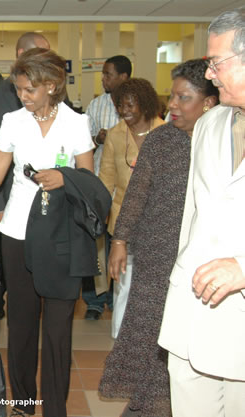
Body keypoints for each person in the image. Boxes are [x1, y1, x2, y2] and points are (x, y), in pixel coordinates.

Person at [0, 48, 98, 417]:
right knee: (20, 322)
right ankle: (24, 402)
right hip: (17, 232)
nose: (22, 96)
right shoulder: (14, 121)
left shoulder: (76, 123)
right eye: (18, 90)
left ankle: (54, 407)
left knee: (58, 328)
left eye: (29, 89)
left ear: (51, 85)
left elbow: (90, 182)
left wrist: (65, 178)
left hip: (63, 235)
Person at [98, 59, 219, 417]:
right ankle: (151, 402)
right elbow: (136, 193)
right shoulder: (161, 139)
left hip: (200, 256)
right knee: (150, 327)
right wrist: (120, 241)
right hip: (154, 250)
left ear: (208, 103)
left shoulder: (220, 142)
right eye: (173, 97)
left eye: (184, 98)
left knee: (185, 335)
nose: (174, 105)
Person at [158, 7, 245, 417]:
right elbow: (193, 215)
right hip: (191, 315)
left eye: (217, 63)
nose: (209, 74)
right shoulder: (211, 124)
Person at [99, 78, 165, 336]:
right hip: (123, 221)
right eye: (120, 105)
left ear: (144, 103)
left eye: (130, 105)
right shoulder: (115, 135)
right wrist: (100, 215)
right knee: (123, 284)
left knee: (155, 284)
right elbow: (106, 179)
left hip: (158, 221)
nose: (124, 110)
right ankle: (121, 338)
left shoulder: (165, 131)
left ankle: (151, 337)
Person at [0, 32, 50, 229]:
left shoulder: (53, 93)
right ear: (21, 53)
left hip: (51, 200)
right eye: (41, 53)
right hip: (11, 200)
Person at [82, 55, 132, 321]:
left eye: (108, 74)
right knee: (96, 245)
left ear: (124, 77)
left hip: (125, 191)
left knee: (120, 243)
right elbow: (83, 142)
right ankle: (94, 300)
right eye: (103, 74)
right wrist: (96, 139)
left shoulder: (136, 105)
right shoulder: (96, 105)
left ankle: (117, 298)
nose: (104, 79)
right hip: (99, 185)